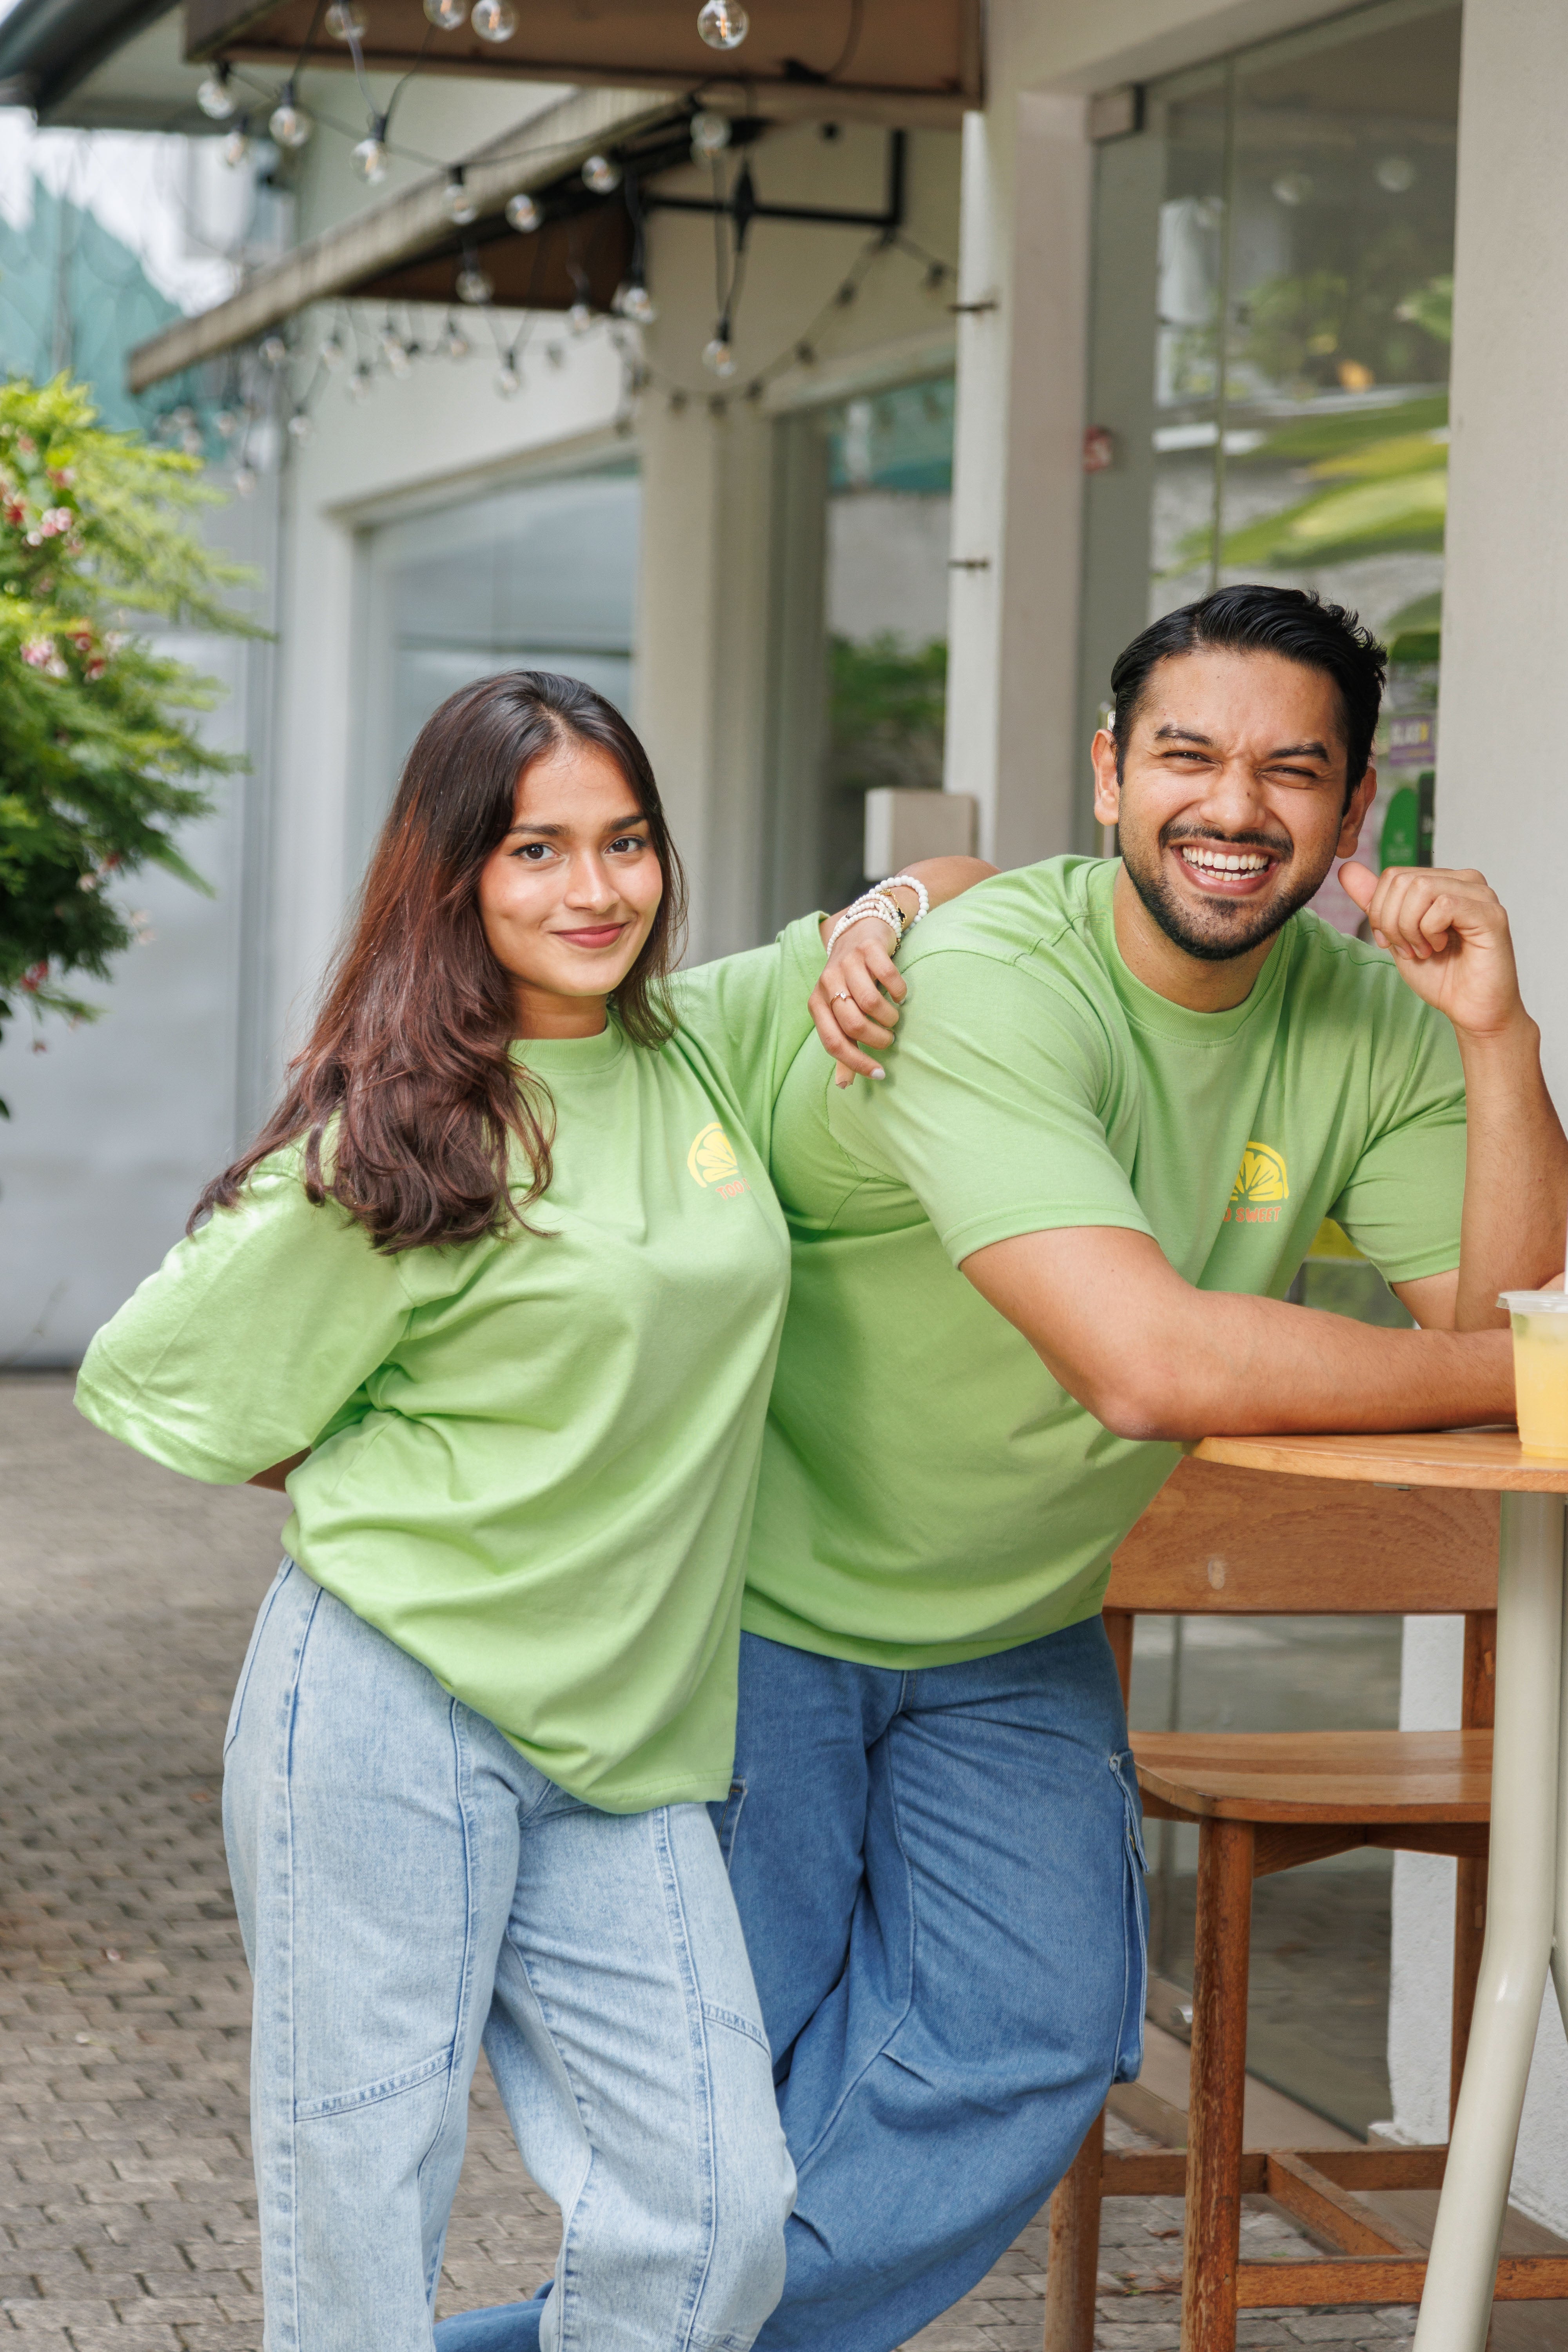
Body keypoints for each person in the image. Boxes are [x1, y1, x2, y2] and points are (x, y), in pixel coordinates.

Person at [445, 584, 1567, 2352]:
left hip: (1008, 1621)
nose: (1234, 807)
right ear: (1110, 774)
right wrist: (1515, 1368)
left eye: (1293, 771)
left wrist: (1499, 1038)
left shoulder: (1367, 1018)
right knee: (726, 2102)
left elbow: (1512, 1321)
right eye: (1186, 756)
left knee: (1033, 2033)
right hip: (746, 1600)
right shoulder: (978, 980)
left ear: (1356, 807)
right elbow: (1149, 1365)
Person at [73, 669, 989, 2352]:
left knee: (715, 2213)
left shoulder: (708, 1043)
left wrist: (889, 907)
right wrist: (407, 1470)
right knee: (364, 2221)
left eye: (626, 842)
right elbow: (163, 1371)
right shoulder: (403, 1129)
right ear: (456, 875)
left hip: (628, 1744)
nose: (596, 890)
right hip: (387, 1710)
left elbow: (972, 886)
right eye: (537, 851)